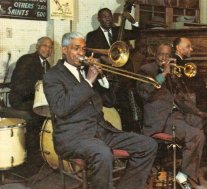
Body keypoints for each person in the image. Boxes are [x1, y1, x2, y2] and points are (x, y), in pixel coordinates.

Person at [43, 32, 157, 189]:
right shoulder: (53, 76)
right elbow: (61, 108)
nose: (81, 53)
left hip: (102, 131)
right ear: (64, 50)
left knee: (148, 144)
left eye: (83, 49)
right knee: (103, 154)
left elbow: (110, 101)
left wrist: (102, 77)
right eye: (76, 48)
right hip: (74, 137)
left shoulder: (86, 71)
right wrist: (89, 81)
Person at [137, 43, 207, 188]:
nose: (164, 58)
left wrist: (199, 112)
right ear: (155, 54)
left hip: (179, 114)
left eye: (168, 55)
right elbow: (144, 93)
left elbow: (180, 99)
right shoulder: (146, 70)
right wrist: (164, 74)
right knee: (197, 136)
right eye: (161, 54)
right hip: (161, 120)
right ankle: (182, 177)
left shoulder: (172, 72)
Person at [86, 8, 141, 132]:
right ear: (99, 19)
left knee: (127, 107)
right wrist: (104, 58)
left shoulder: (118, 30)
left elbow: (137, 34)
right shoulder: (92, 35)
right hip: (106, 77)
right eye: (105, 17)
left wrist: (132, 20)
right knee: (110, 107)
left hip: (123, 76)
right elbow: (89, 52)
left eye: (110, 16)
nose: (108, 19)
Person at [9, 36, 53, 155]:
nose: (48, 50)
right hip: (20, 100)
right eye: (45, 46)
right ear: (37, 47)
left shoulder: (47, 64)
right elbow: (17, 84)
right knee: (38, 114)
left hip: (34, 100)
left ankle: (44, 148)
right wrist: (36, 89)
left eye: (50, 47)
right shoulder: (27, 59)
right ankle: (33, 152)